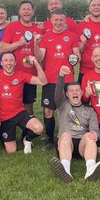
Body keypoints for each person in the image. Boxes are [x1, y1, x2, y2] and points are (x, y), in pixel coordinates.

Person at [50, 67, 100, 183]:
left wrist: (94, 134)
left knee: (89, 136)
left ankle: (90, 169)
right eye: (71, 91)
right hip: (66, 145)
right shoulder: (62, 105)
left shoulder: (90, 110)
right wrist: (61, 76)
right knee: (65, 135)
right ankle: (65, 169)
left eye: (77, 90)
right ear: (67, 94)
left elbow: (95, 129)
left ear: (81, 92)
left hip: (83, 146)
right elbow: (58, 91)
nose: (75, 92)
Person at [35, 12, 81, 149]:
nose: (59, 22)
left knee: (67, 110)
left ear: (65, 20)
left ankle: (67, 136)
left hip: (67, 79)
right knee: (48, 110)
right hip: (50, 80)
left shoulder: (71, 36)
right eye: (56, 20)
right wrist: (36, 45)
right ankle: (49, 138)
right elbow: (40, 57)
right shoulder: (45, 37)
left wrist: (76, 58)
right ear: (51, 20)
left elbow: (77, 55)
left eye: (61, 20)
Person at [0, 52, 47, 154]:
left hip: (19, 113)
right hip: (3, 117)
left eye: (11, 60)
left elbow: (43, 81)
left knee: (39, 128)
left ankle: (27, 139)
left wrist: (36, 63)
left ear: (15, 63)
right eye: (6, 60)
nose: (8, 63)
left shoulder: (21, 75)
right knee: (11, 151)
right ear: (1, 63)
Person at [0, 0, 44, 117]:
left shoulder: (38, 29)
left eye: (29, 9)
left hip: (30, 75)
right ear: (19, 11)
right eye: (24, 9)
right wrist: (19, 43)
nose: (26, 11)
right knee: (11, 103)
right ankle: (9, 130)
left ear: (33, 12)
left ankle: (28, 134)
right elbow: (3, 48)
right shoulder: (12, 27)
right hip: (14, 73)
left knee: (28, 104)